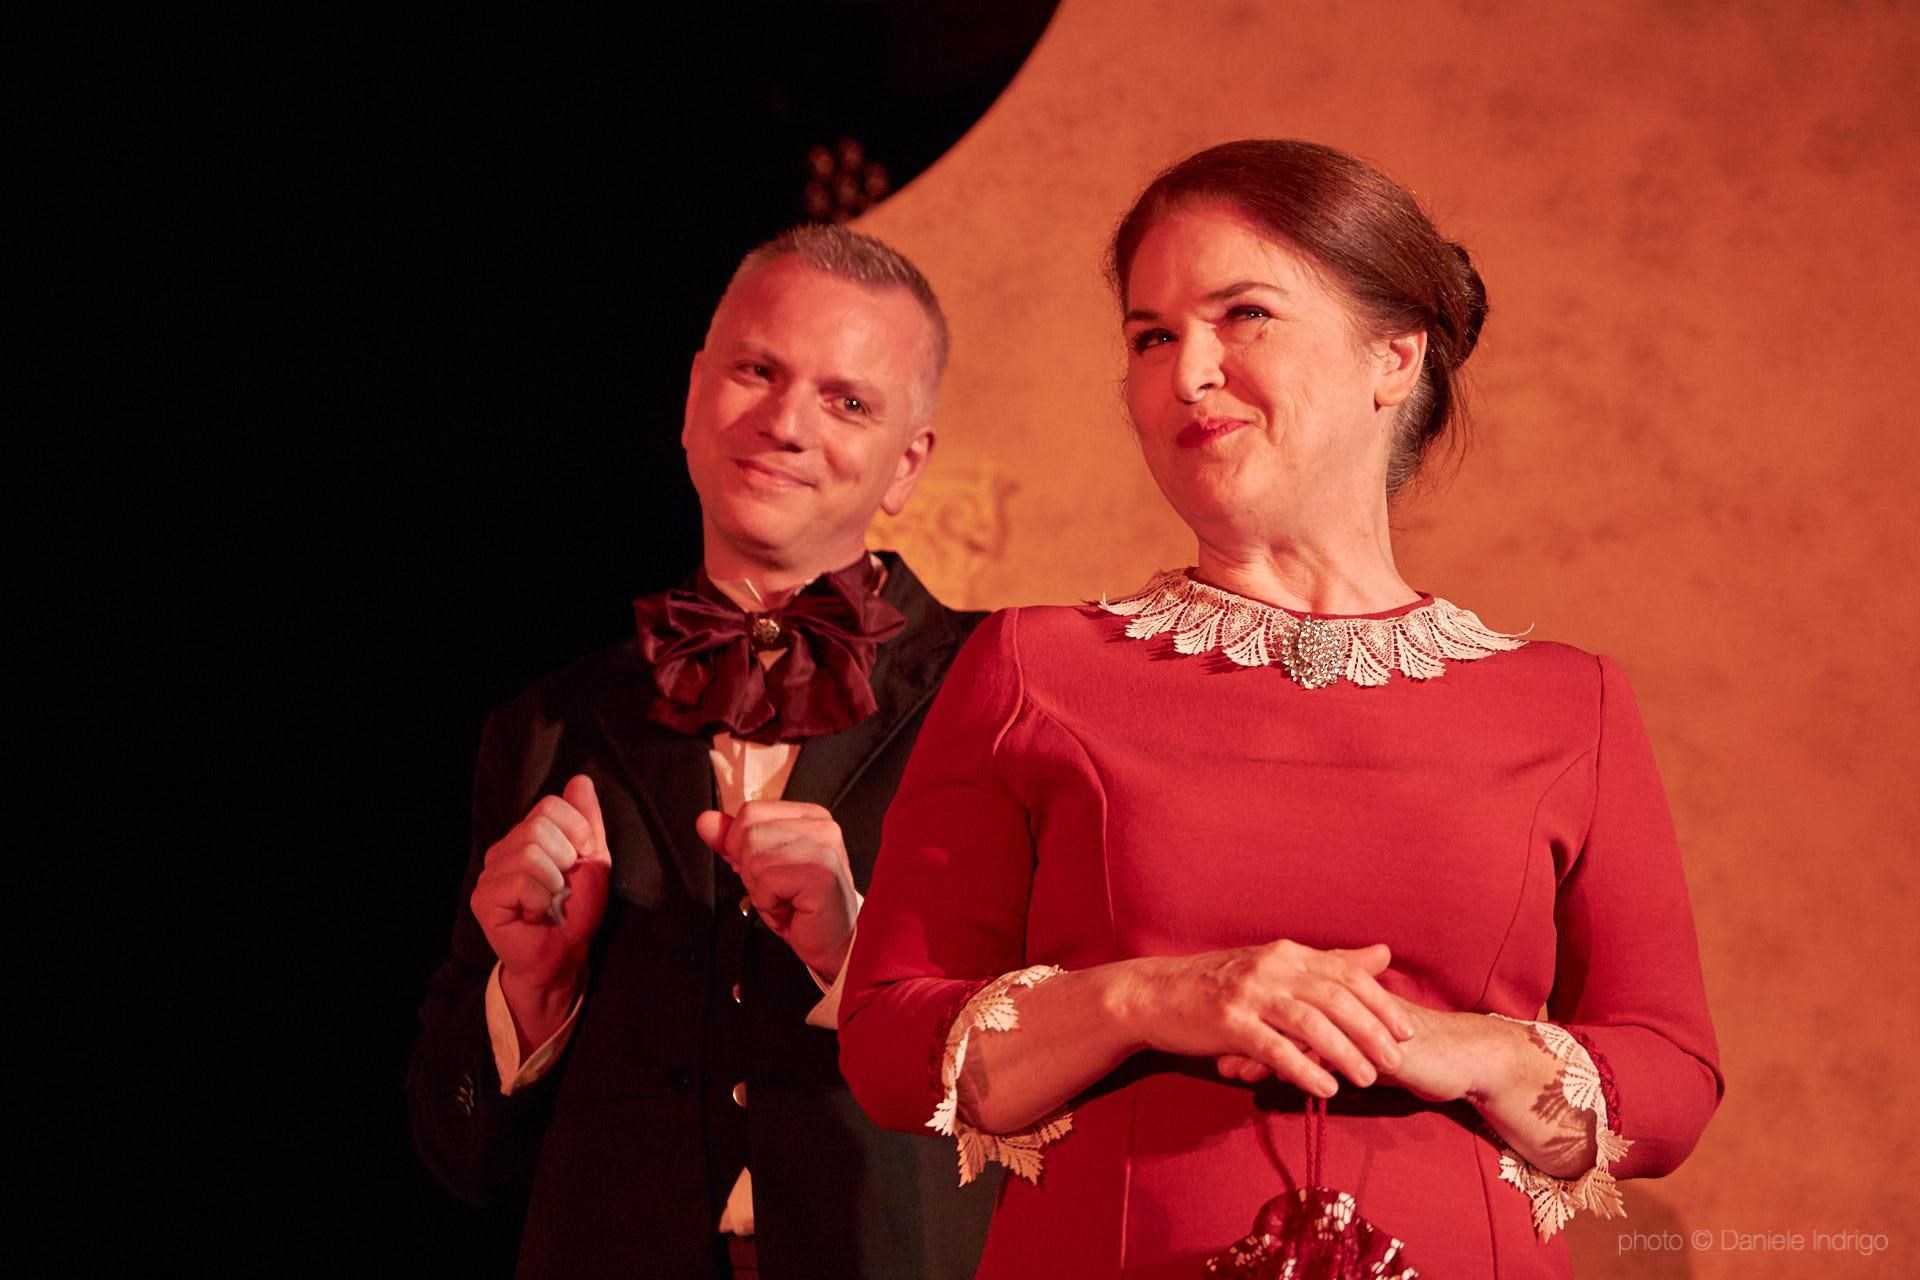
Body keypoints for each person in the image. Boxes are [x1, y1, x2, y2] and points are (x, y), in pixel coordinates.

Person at [837, 140, 1723, 1279]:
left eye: (1242, 315)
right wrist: (1157, 996)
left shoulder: (1568, 702)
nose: (1187, 374)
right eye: (1151, 337)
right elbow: (890, 1042)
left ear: (1393, 355)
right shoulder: (1032, 667)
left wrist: (1454, 1048)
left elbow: (1671, 1081)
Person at [409, 224, 997, 1280]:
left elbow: (1068, 1073)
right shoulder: (547, 723)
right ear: (692, 400)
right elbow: (463, 1155)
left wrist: (855, 955)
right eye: (756, 371)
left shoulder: (1005, 695)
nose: (785, 423)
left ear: (907, 464)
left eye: (846, 401)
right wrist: (530, 993)